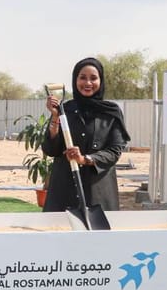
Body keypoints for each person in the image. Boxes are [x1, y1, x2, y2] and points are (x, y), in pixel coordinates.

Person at [42, 57, 131, 212]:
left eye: (93, 78)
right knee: (60, 228)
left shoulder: (111, 112)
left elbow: (114, 151)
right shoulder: (64, 110)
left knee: (98, 229)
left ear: (101, 81)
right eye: (82, 77)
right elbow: (51, 149)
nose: (88, 83)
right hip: (63, 191)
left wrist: (85, 159)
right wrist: (55, 117)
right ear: (75, 80)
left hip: (98, 192)